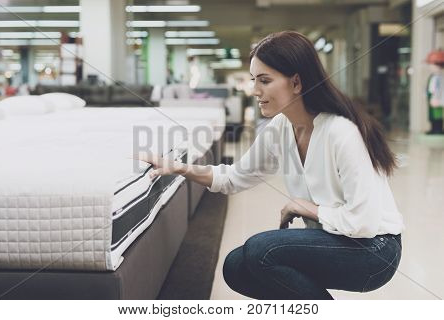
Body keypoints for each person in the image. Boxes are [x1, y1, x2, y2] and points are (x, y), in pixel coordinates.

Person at [138, 31, 404, 300]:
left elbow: (364, 223)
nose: (255, 91)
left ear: (297, 83)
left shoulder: (341, 132)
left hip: (374, 251)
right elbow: (233, 177)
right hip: (339, 239)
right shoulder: (281, 127)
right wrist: (178, 167)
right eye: (255, 80)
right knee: (236, 267)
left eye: (264, 81)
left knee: (260, 250)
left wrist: (306, 208)